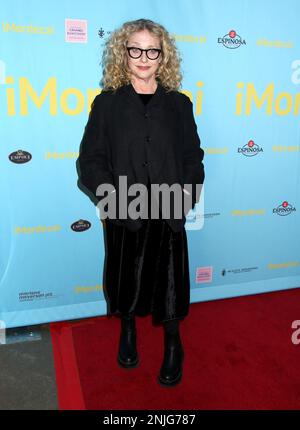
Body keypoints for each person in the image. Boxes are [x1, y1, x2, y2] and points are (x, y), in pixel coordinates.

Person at [77, 18, 205, 387]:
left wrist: (184, 197)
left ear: (163, 56)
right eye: (136, 49)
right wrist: (115, 203)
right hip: (125, 210)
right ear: (124, 52)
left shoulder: (179, 105)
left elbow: (193, 157)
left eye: (153, 50)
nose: (144, 58)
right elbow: (91, 161)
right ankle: (128, 330)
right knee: (126, 282)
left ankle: (172, 343)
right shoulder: (107, 105)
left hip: (168, 211)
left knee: (169, 285)